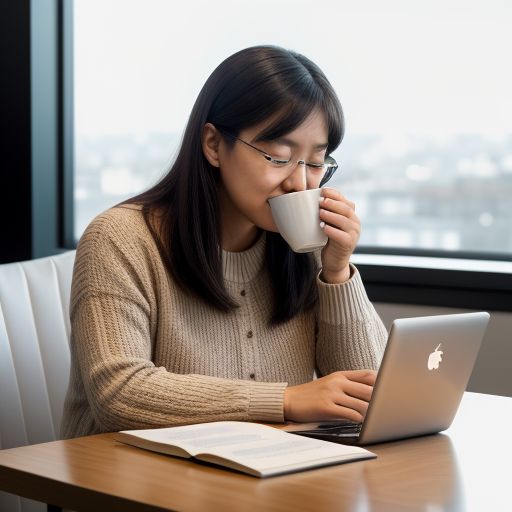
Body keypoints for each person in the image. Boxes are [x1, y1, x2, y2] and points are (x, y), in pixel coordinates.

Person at [61, 45, 388, 439]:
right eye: (278, 157)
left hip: (260, 478)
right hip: (125, 484)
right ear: (214, 145)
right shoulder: (120, 240)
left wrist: (337, 272)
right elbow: (119, 394)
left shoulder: (303, 247)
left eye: (316, 163)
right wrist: (284, 400)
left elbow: (372, 399)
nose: (300, 183)